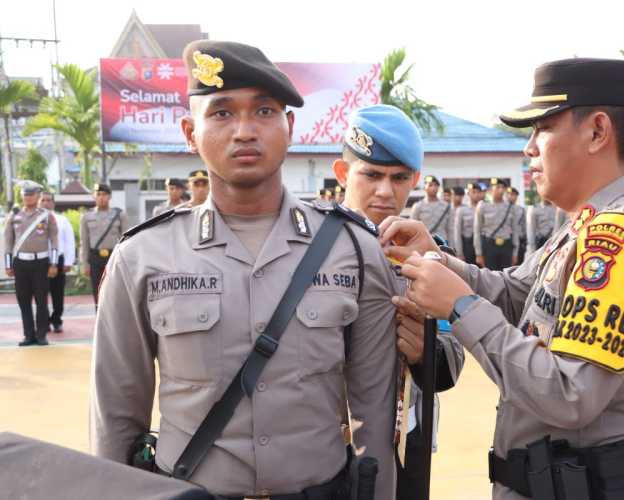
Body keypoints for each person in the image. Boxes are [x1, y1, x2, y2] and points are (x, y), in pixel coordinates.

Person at [91, 40, 398, 500]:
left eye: (264, 112)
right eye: (220, 114)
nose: (244, 131)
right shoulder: (141, 257)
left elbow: (375, 411)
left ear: (289, 126)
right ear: (190, 133)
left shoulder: (352, 248)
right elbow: (116, 418)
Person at [380, 58, 624, 500]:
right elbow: (521, 294)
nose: (529, 148)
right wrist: (439, 261)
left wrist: (462, 307)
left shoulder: (623, 239)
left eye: (542, 128)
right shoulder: (586, 223)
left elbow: (568, 394)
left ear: (597, 131)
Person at [331, 103, 464, 500]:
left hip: (404, 441)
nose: (386, 191)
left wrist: (427, 351)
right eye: (371, 174)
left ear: (415, 180)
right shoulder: (305, 253)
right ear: (343, 174)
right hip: (321, 440)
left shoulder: (430, 257)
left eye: (399, 177)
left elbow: (453, 355)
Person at [3, 181, 58, 346]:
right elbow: (8, 241)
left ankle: (41, 335)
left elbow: (54, 240)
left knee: (41, 300)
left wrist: (53, 263)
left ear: (38, 196)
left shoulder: (46, 215)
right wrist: (8, 264)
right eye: (25, 194)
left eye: (31, 194)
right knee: (23, 300)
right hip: (21, 264)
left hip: (40, 263)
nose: (28, 197)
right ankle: (28, 335)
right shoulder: (14, 215)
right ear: (22, 196)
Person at [80, 183, 128, 306]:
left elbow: (126, 241)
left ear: (110, 196)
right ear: (94, 196)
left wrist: (126, 261)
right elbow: (84, 242)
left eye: (105, 194)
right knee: (98, 291)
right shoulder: (86, 216)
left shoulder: (119, 215)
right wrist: (85, 263)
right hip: (95, 258)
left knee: (114, 291)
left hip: (113, 257)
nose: (101, 197)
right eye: (99, 194)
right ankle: (99, 321)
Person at [40, 191, 75, 333]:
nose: (46, 203)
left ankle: (56, 320)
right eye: (43, 200)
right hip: (40, 260)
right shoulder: (34, 220)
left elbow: (69, 242)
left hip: (58, 260)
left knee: (57, 293)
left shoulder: (61, 219)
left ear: (53, 203)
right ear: (39, 202)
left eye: (49, 200)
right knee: (40, 293)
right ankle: (44, 321)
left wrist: (68, 261)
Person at [473, 177, 518, 270]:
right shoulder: (482, 206)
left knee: (506, 276)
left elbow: (515, 231)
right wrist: (478, 253)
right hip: (490, 245)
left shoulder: (510, 207)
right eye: (497, 187)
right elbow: (477, 231)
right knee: (490, 276)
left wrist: (515, 253)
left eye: (502, 187)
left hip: (506, 246)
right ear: (490, 190)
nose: (500, 190)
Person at [410, 175, 451, 244]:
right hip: (424, 242)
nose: (433, 188)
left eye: (436, 185)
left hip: (443, 242)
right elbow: (412, 228)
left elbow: (450, 229)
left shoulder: (446, 206)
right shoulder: (418, 206)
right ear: (425, 187)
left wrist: (453, 247)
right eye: (430, 185)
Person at [453, 182, 485, 265]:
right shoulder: (461, 210)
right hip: (468, 246)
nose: (476, 194)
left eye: (478, 192)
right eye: (473, 192)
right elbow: (457, 232)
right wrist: (459, 253)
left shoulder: (486, 208)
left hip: (484, 245)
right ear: (468, 194)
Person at [507, 187, 527, 263]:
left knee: (518, 263)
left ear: (516, 197)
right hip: (507, 240)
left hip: (519, 239)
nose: (511, 196)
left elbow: (524, 226)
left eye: (513, 195)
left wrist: (525, 240)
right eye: (509, 194)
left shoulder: (521, 209)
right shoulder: (502, 208)